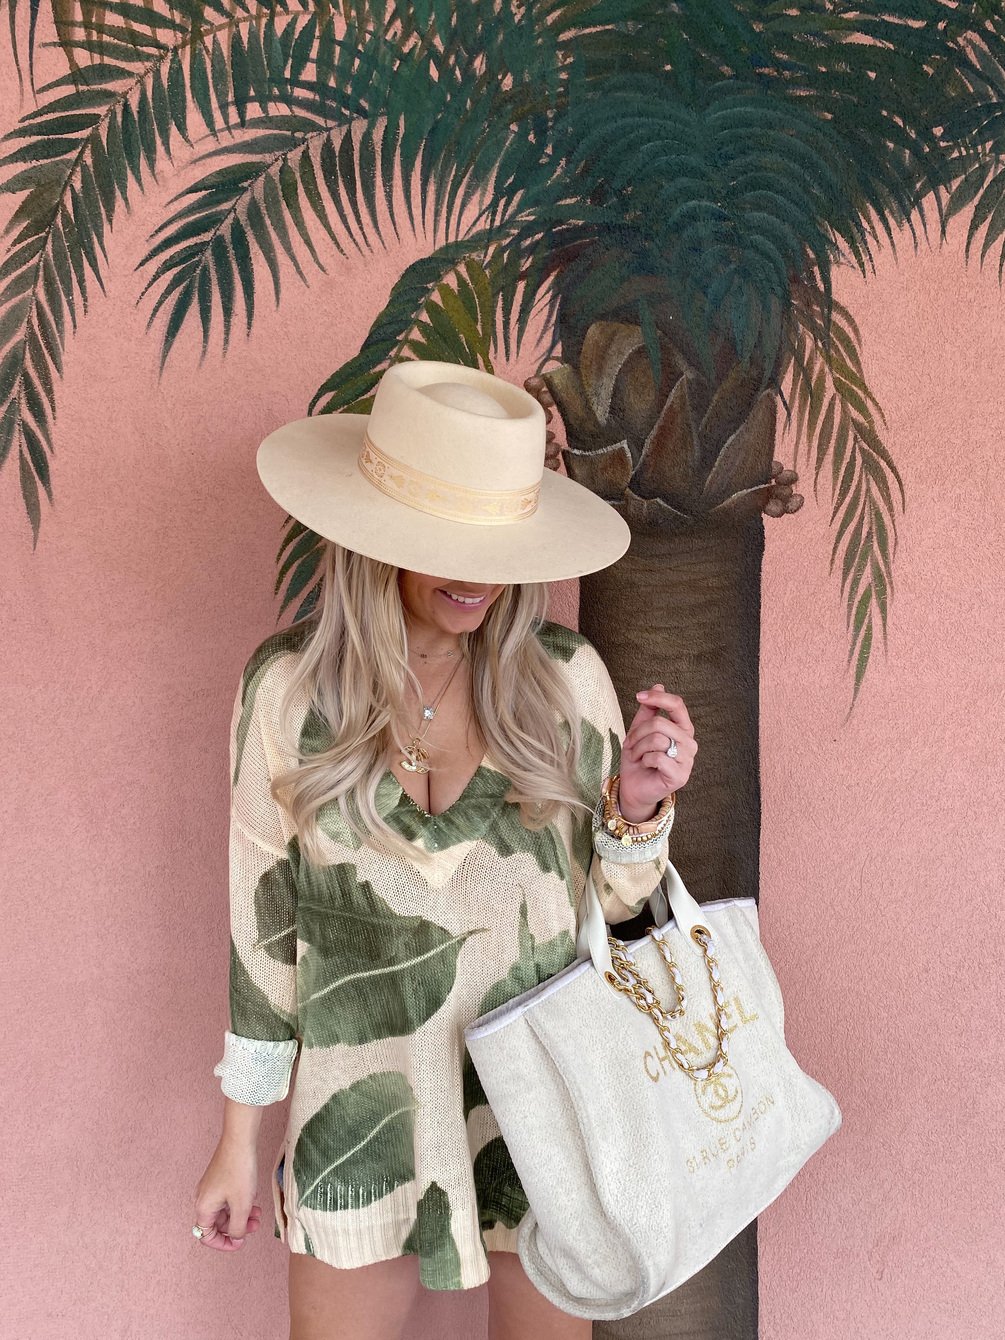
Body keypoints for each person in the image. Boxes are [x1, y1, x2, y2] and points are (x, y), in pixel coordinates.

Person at [191, 360, 697, 1340]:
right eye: (442, 545)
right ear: (376, 539)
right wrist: (238, 1140)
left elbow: (621, 924)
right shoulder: (289, 692)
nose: (475, 577)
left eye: (497, 546)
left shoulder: (565, 685)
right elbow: (264, 933)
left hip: (545, 1108)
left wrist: (637, 812)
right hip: (358, 1109)